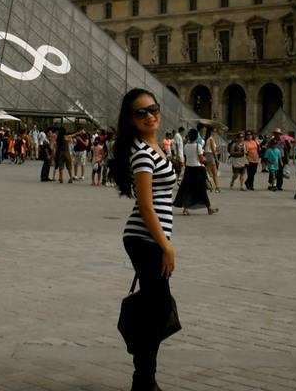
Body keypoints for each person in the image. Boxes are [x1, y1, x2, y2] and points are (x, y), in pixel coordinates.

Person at [109, 89, 178, 391]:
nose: (150, 115)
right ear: (130, 119)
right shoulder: (141, 153)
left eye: (153, 109)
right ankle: (143, 380)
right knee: (158, 309)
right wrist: (165, 245)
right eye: (141, 112)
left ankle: (144, 378)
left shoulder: (153, 147)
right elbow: (146, 205)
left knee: (156, 309)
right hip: (145, 238)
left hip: (151, 237)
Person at [173, 129, 217, 215]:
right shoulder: (198, 146)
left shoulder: (186, 146)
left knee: (187, 190)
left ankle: (185, 210)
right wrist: (205, 160)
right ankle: (209, 208)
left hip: (189, 170)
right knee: (202, 190)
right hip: (198, 170)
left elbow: (187, 158)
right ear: (196, 137)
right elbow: (201, 159)